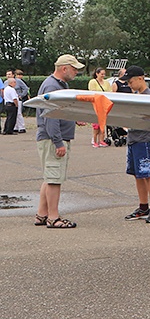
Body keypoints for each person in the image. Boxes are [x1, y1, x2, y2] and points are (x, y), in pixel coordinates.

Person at [35, 54, 84, 228]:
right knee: (54, 179)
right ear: (64, 68)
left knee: (50, 177)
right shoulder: (52, 86)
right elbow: (50, 117)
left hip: (51, 138)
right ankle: (53, 217)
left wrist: (73, 119)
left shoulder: (58, 85)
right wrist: (58, 142)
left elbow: (61, 112)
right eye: (74, 69)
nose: (77, 72)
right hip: (52, 139)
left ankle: (42, 214)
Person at [120, 66, 150, 223]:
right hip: (133, 139)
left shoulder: (149, 97)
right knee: (138, 175)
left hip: (145, 140)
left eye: (131, 82)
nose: (129, 85)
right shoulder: (137, 96)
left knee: (148, 173)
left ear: (140, 78)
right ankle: (143, 207)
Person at [87, 67, 111, 147]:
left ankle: (101, 140)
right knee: (96, 125)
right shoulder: (93, 82)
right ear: (97, 74)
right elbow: (92, 92)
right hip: (96, 104)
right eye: (102, 74)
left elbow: (109, 92)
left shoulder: (106, 83)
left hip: (104, 105)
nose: (103, 75)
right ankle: (94, 141)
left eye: (104, 74)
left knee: (103, 124)